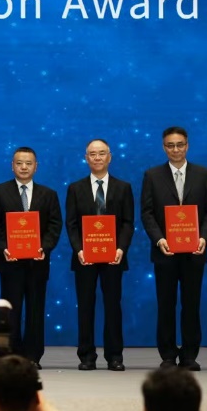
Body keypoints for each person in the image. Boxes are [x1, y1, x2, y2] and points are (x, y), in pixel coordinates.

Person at [140, 126, 207, 372]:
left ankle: (189, 355)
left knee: (191, 305)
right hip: (165, 252)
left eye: (180, 144)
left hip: (195, 252)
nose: (175, 149)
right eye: (170, 145)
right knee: (166, 305)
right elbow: (147, 213)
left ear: (187, 145)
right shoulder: (152, 175)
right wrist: (159, 239)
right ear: (164, 148)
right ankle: (167, 356)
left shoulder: (203, 174)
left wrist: (204, 238)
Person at [0, 147, 63, 367]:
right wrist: (3, 248)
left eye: (28, 163)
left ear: (36, 167)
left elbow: (55, 226)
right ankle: (11, 354)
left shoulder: (48, 194)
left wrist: (44, 248)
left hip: (37, 263)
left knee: (35, 311)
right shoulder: (0, 191)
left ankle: (33, 355)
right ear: (12, 166)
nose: (23, 167)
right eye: (19, 163)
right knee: (10, 311)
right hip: (9, 262)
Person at [64, 138, 135, 372]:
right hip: (84, 257)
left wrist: (120, 248)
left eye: (101, 153)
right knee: (85, 306)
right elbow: (71, 224)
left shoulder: (123, 187)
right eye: (92, 154)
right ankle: (87, 356)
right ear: (86, 158)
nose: (97, 158)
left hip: (114, 257)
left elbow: (128, 223)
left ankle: (115, 356)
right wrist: (79, 249)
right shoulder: (75, 188)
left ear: (110, 157)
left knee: (113, 306)